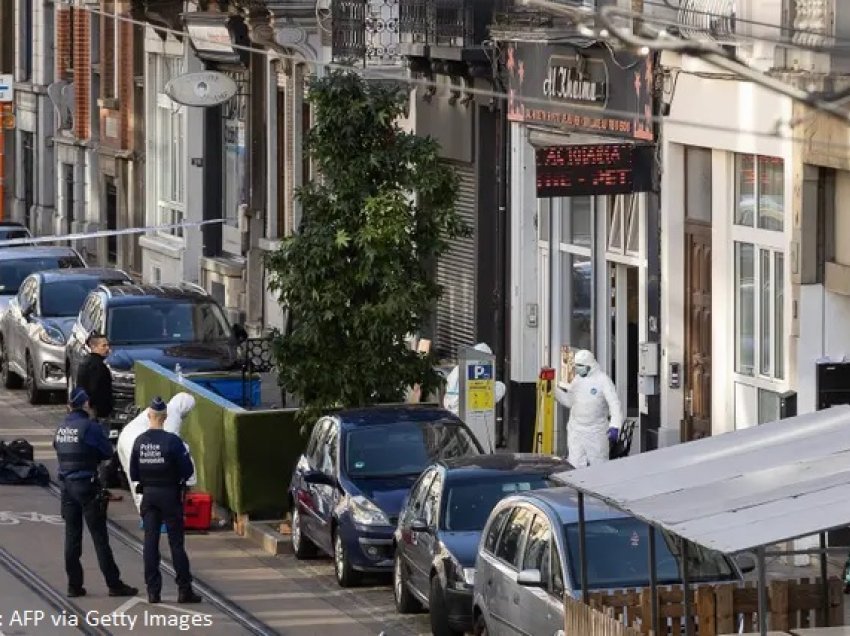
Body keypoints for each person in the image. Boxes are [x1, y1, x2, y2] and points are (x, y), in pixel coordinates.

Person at [53, 387, 138, 599]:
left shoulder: (61, 428)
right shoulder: (89, 427)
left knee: (72, 537)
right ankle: (113, 583)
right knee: (100, 538)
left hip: (66, 487)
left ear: (68, 406)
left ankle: (74, 585)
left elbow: (57, 447)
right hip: (87, 485)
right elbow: (107, 452)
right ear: (86, 405)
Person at [130, 397, 201, 604]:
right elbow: (187, 470)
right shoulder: (172, 442)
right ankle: (184, 590)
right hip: (170, 495)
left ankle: (153, 592)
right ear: (165, 417)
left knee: (150, 543)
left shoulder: (140, 441)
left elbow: (134, 473)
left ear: (149, 416)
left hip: (149, 496)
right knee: (176, 544)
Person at [554, 349, 623, 468]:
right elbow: (569, 401)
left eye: (581, 366)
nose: (578, 368)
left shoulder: (603, 380)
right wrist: (554, 392)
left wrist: (615, 426)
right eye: (577, 366)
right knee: (574, 465)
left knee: (599, 466)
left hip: (596, 432)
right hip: (576, 430)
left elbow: (614, 404)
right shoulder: (577, 380)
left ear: (590, 365)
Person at [76, 333, 117, 488]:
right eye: (103, 346)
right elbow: (93, 391)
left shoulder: (85, 363)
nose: (107, 349)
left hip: (90, 413)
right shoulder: (98, 367)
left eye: (107, 345)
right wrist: (94, 410)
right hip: (98, 414)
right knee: (101, 449)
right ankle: (101, 485)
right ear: (93, 347)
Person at [443, 342, 507, 416]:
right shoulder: (477, 371)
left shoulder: (458, 368)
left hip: (450, 408)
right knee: (500, 386)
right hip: (463, 411)